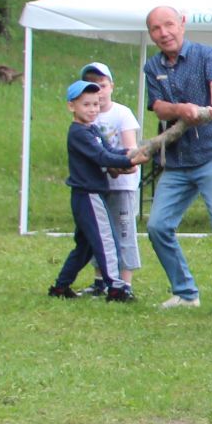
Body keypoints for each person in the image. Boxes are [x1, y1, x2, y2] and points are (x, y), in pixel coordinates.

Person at [142, 6, 212, 318]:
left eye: (169, 25)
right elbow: (159, 107)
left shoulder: (208, 55)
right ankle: (185, 292)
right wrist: (182, 109)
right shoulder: (153, 66)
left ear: (182, 24)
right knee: (158, 226)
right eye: (156, 29)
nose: (164, 33)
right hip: (177, 158)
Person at [48, 80, 148, 300]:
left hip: (91, 195)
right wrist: (130, 161)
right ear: (71, 106)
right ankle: (116, 288)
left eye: (95, 104)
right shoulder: (78, 133)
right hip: (88, 195)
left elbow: (110, 150)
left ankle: (60, 288)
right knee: (106, 241)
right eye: (86, 105)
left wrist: (131, 153)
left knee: (84, 247)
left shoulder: (91, 129)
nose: (93, 109)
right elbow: (101, 157)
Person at [78, 61, 141, 298]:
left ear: (111, 86)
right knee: (99, 233)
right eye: (92, 86)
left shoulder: (122, 113)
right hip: (96, 185)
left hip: (121, 186)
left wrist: (121, 165)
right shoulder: (86, 117)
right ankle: (100, 280)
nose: (98, 91)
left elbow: (130, 150)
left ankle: (125, 282)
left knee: (123, 232)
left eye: (102, 85)